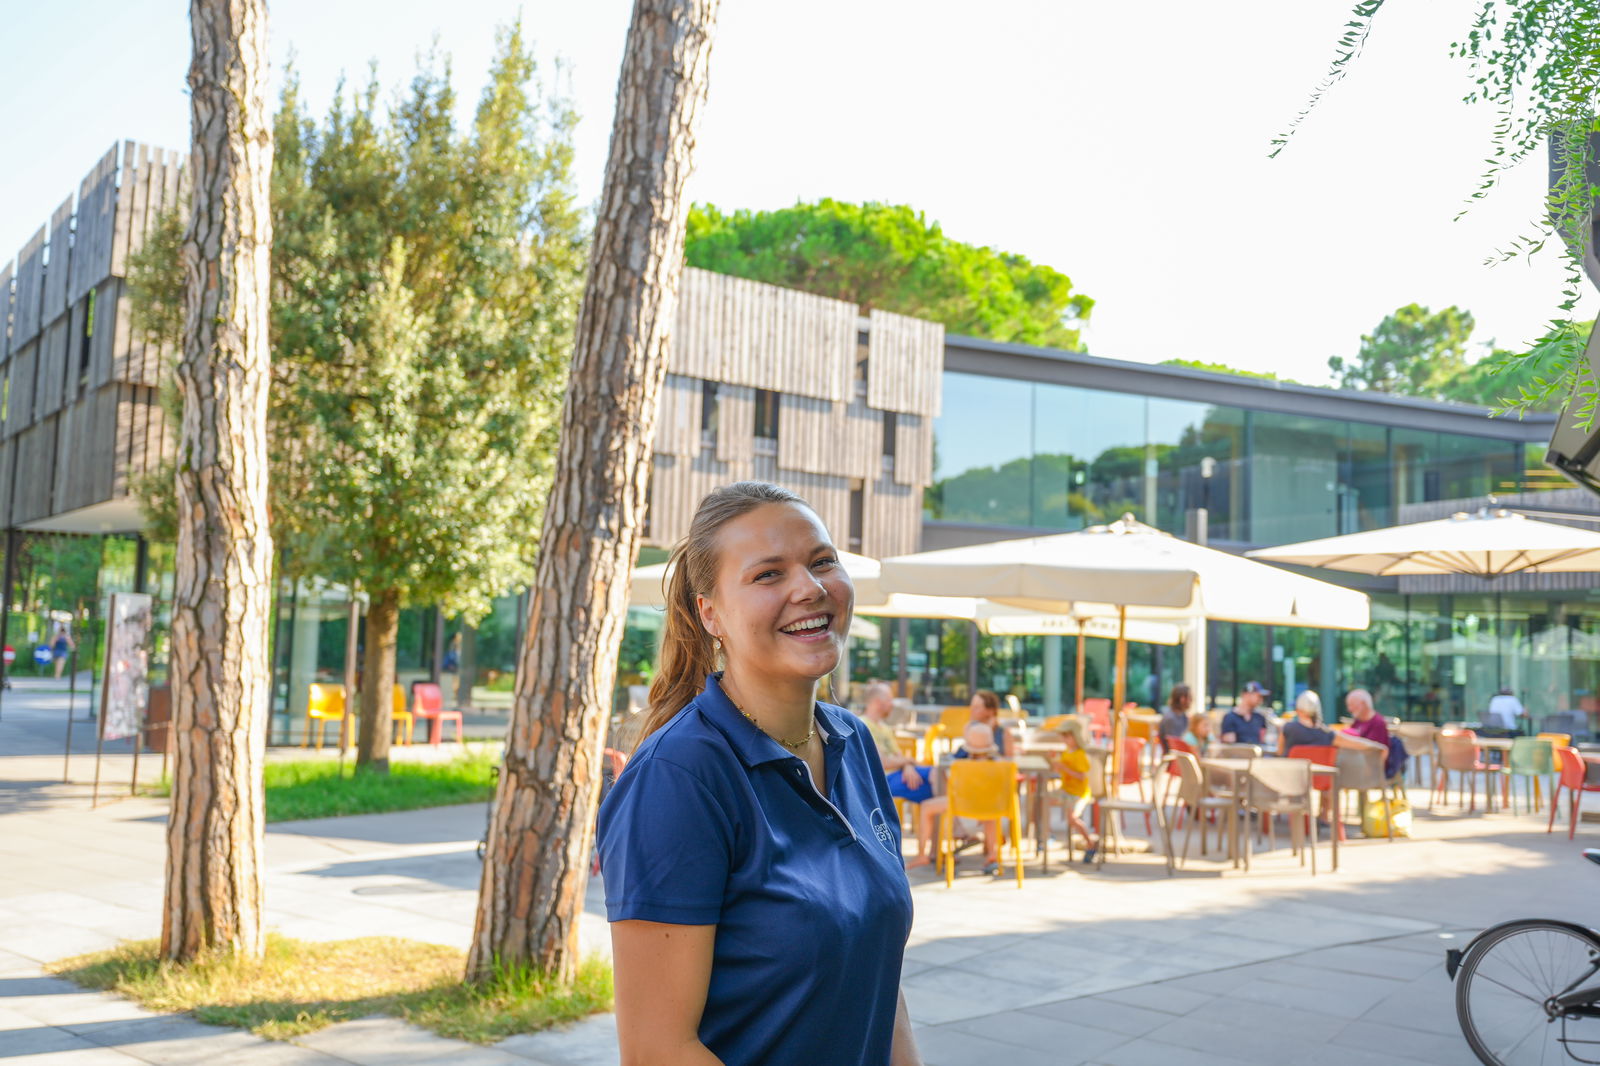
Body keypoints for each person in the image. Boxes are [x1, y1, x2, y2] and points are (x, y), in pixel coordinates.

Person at [595, 481, 918, 1066]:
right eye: (768, 574)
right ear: (710, 613)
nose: (810, 588)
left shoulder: (853, 740)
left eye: (822, 561)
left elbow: (876, 981)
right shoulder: (679, 776)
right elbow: (656, 1050)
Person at [908, 721, 1005, 875]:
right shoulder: (1001, 764)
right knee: (990, 814)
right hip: (990, 807)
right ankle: (992, 854)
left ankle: (922, 854)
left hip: (960, 805)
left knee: (927, 807)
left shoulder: (960, 765)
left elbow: (952, 785)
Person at [860, 681, 933, 805]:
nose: (892, 704)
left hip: (898, 775)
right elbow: (881, 762)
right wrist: (909, 761)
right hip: (880, 782)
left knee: (939, 778)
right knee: (938, 784)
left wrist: (908, 767)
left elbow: (899, 756)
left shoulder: (885, 728)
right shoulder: (862, 725)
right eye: (889, 700)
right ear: (878, 702)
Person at [1048, 717, 1100, 863]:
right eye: (1062, 736)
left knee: (1072, 818)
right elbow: (1059, 770)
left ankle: (1090, 843)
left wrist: (1064, 768)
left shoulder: (1080, 755)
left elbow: (1082, 776)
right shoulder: (1066, 752)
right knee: (1041, 801)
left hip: (1079, 793)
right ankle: (1047, 834)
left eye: (1066, 736)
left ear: (1075, 736)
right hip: (1065, 790)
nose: (1064, 739)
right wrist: (1054, 761)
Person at [960, 689, 1014, 758]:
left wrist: (989, 729)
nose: (971, 709)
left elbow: (1009, 761)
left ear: (990, 711)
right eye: (972, 706)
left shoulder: (1005, 733)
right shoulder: (969, 728)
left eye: (977, 707)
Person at [1221, 681, 1269, 745]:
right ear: (1246, 695)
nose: (1261, 700)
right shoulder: (1230, 717)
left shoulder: (1259, 717)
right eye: (1258, 696)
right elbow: (1229, 746)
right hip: (1238, 754)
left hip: (1257, 754)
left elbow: (1263, 741)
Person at [1159, 684, 1192, 752]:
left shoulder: (1183, 716)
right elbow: (1174, 746)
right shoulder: (1170, 719)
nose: (1191, 700)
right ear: (1182, 699)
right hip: (1176, 757)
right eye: (1190, 697)